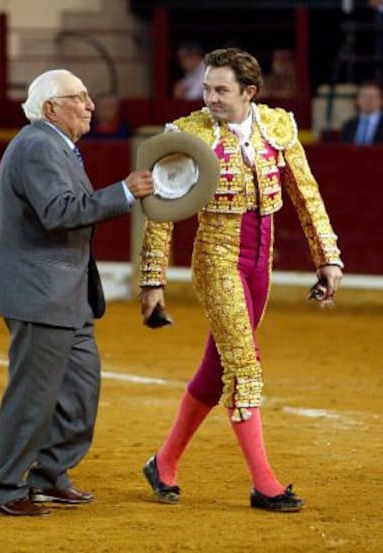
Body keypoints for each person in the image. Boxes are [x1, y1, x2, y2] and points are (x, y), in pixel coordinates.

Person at [139, 48, 343, 513]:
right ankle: (264, 483)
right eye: (207, 87)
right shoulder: (188, 135)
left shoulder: (277, 127)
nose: (209, 97)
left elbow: (306, 195)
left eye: (220, 90)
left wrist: (327, 258)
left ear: (249, 92)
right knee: (245, 367)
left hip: (259, 264)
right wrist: (153, 281)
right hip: (217, 259)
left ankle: (163, 462)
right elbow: (161, 213)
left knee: (217, 371)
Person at [0, 69, 154, 517]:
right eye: (79, 97)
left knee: (80, 389)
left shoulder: (56, 146)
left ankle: (49, 475)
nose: (90, 105)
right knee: (33, 397)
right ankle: (3, 490)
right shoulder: (40, 145)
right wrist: (124, 193)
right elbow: (58, 212)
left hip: (65, 295)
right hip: (42, 294)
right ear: (51, 108)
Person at [340, 80, 383, 144]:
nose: (368, 100)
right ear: (357, 100)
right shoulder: (349, 125)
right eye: (364, 96)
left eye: (373, 97)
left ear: (381, 101)